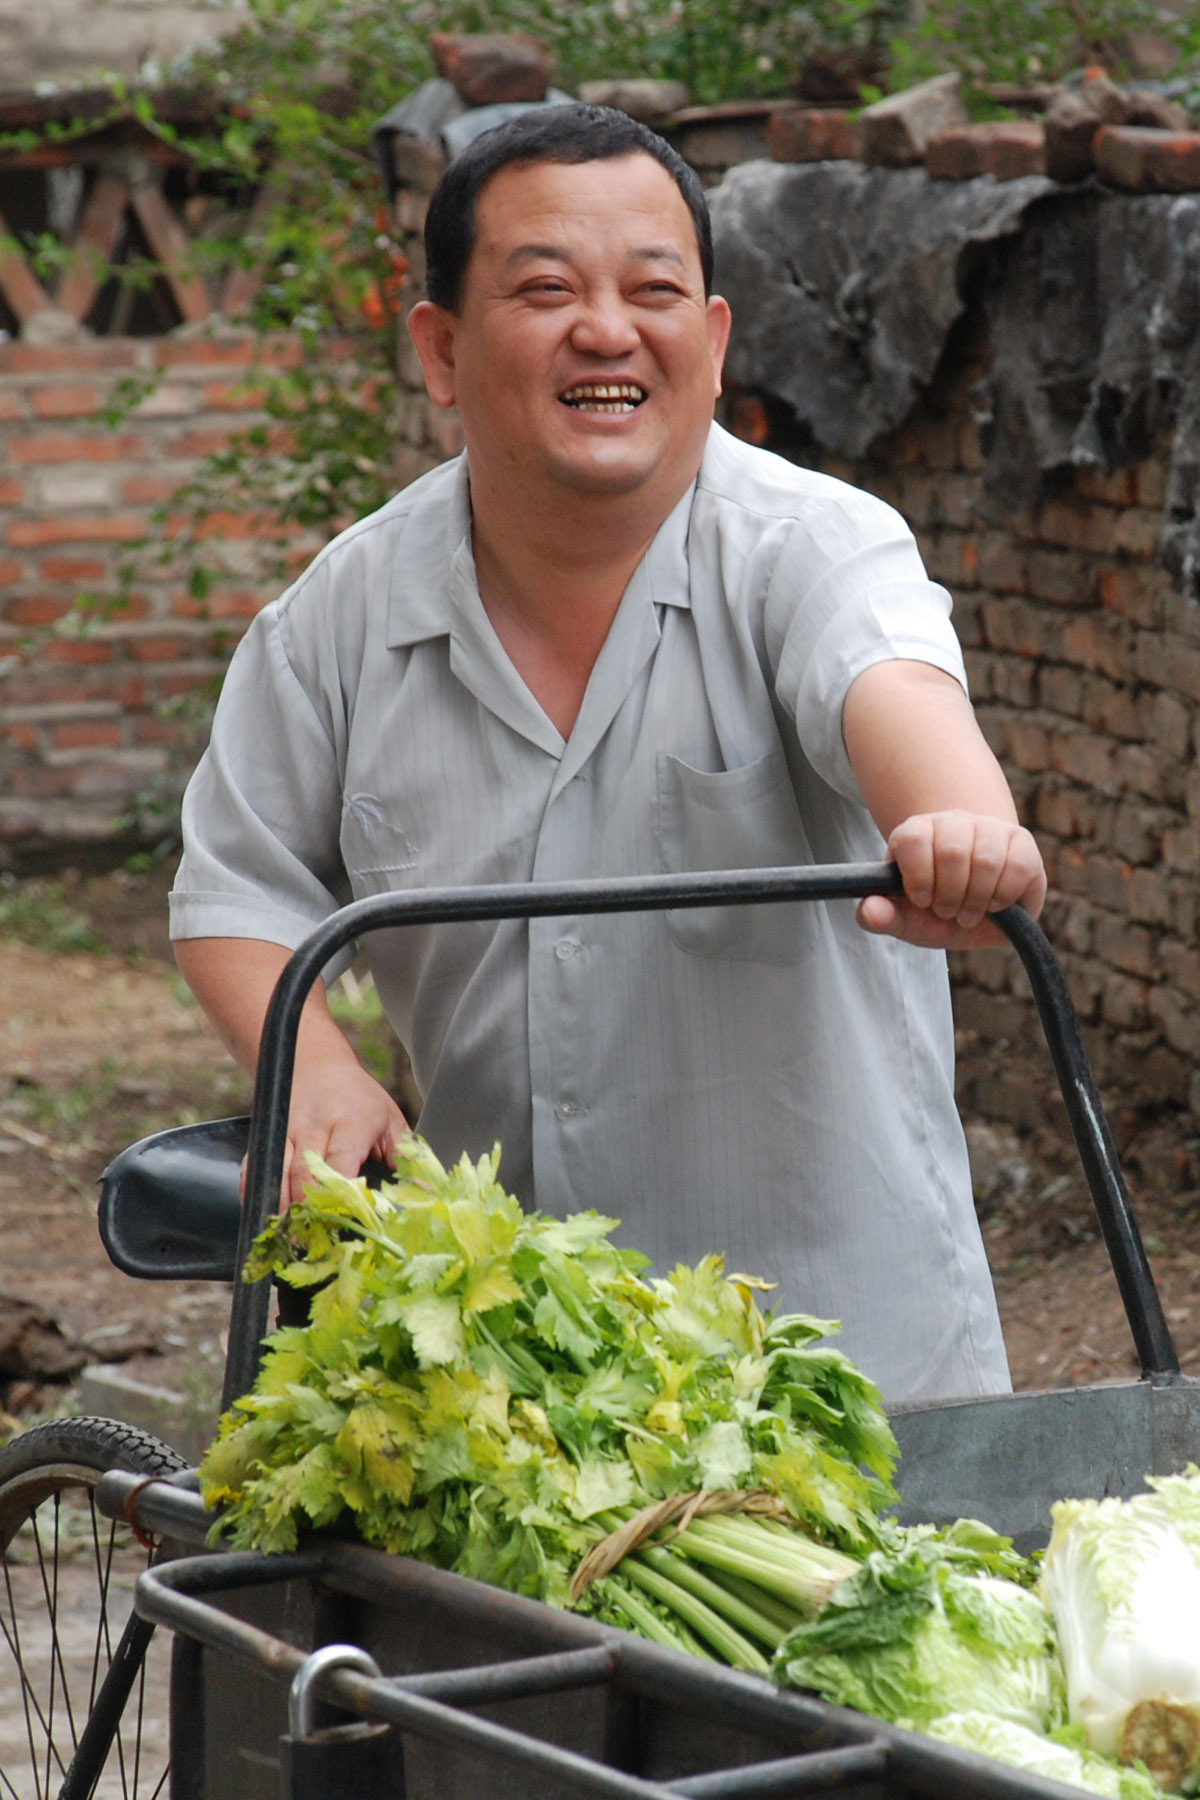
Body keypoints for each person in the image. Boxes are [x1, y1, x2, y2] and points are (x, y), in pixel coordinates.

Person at [170, 104, 1045, 1404]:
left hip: (850, 1382)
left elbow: (894, 687)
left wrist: (960, 828)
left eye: (654, 290)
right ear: (443, 351)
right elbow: (238, 889)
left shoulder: (813, 552)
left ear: (714, 337)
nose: (608, 328)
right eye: (546, 289)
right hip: (516, 1389)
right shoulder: (338, 624)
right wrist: (314, 1069)